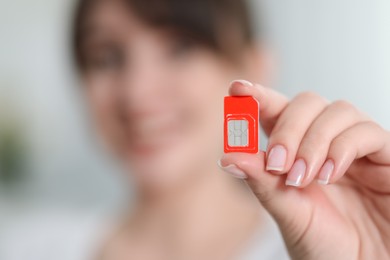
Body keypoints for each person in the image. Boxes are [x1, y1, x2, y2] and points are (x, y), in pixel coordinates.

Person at [2, 0, 390, 259]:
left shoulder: (330, 244)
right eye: (107, 57)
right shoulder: (25, 247)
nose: (137, 94)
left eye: (181, 48)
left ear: (254, 67)